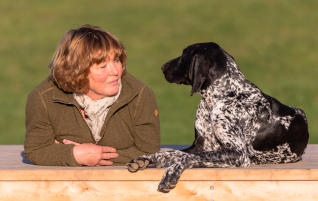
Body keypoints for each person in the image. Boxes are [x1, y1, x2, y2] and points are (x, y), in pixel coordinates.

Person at [24, 25, 160, 166]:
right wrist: (75, 154)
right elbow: (36, 149)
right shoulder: (43, 97)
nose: (115, 71)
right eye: (103, 66)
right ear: (77, 71)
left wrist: (90, 155)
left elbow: (149, 152)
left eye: (117, 60)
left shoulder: (140, 95)